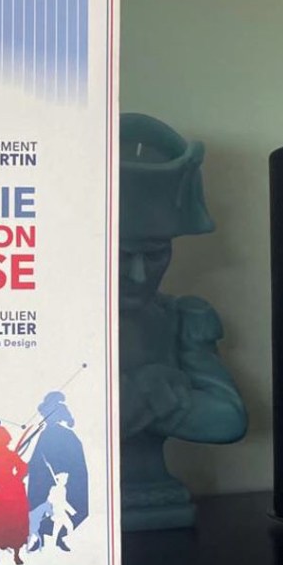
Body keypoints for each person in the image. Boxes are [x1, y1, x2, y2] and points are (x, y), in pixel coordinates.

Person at [119, 113, 247, 529]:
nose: (140, 274)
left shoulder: (181, 316)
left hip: (161, 495)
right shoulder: (59, 325)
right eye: (123, 255)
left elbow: (227, 420)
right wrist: (158, 389)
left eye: (156, 253)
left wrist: (133, 399)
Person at [25, 391, 88, 548]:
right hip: (45, 480)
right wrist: (25, 469)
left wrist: (64, 475)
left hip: (65, 480)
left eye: (49, 415)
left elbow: (76, 463)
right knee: (37, 508)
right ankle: (40, 537)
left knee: (77, 510)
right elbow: (36, 460)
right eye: (45, 415)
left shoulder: (68, 436)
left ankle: (60, 536)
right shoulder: (44, 435)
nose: (46, 418)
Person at [0, 425, 29, 565]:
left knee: (14, 522)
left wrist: (15, 479)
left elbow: (24, 468)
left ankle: (16, 555)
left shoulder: (10, 455)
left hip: (12, 492)